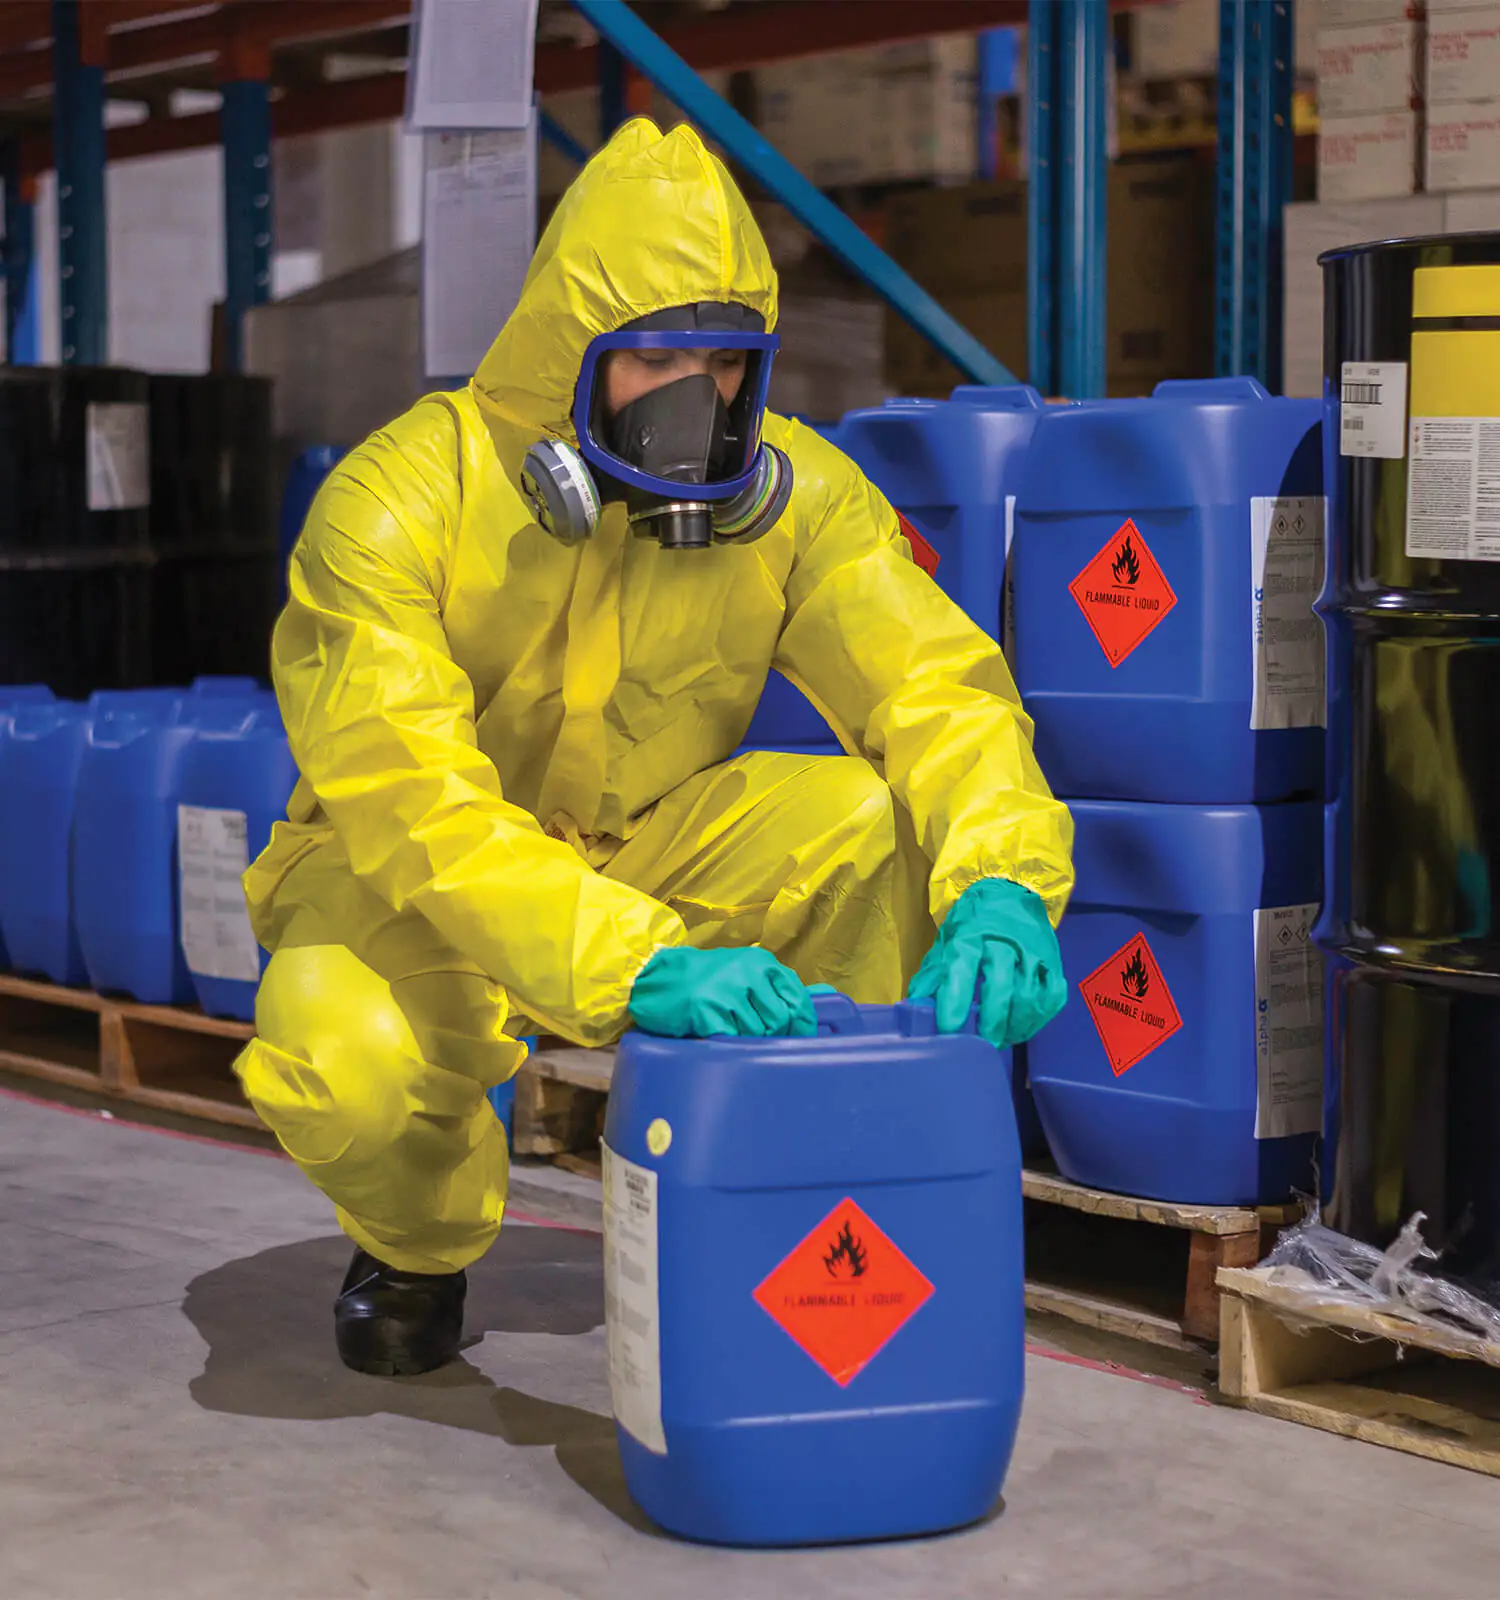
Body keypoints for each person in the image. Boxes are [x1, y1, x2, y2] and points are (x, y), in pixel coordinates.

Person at [234, 119, 1074, 1378]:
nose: (700, 398)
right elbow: (409, 796)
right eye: (657, 358)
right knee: (331, 1046)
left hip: (649, 847)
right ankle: (416, 1243)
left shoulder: (795, 500)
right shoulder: (396, 501)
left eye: (726, 362)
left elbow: (937, 690)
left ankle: (808, 1206)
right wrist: (634, 963)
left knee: (867, 821)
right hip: (411, 883)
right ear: (571, 354)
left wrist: (1005, 880)